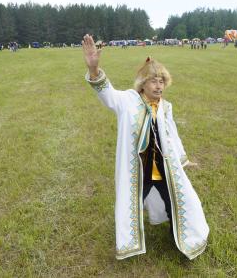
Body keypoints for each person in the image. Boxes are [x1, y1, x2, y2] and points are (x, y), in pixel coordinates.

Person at [81, 34, 209, 260]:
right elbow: (107, 94)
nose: (159, 86)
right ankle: (129, 241)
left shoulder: (166, 107)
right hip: (138, 170)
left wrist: (183, 159)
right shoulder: (128, 101)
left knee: (176, 201)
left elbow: (172, 134)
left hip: (163, 168)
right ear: (143, 84)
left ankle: (181, 239)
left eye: (162, 81)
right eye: (153, 81)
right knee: (131, 203)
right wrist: (94, 69)